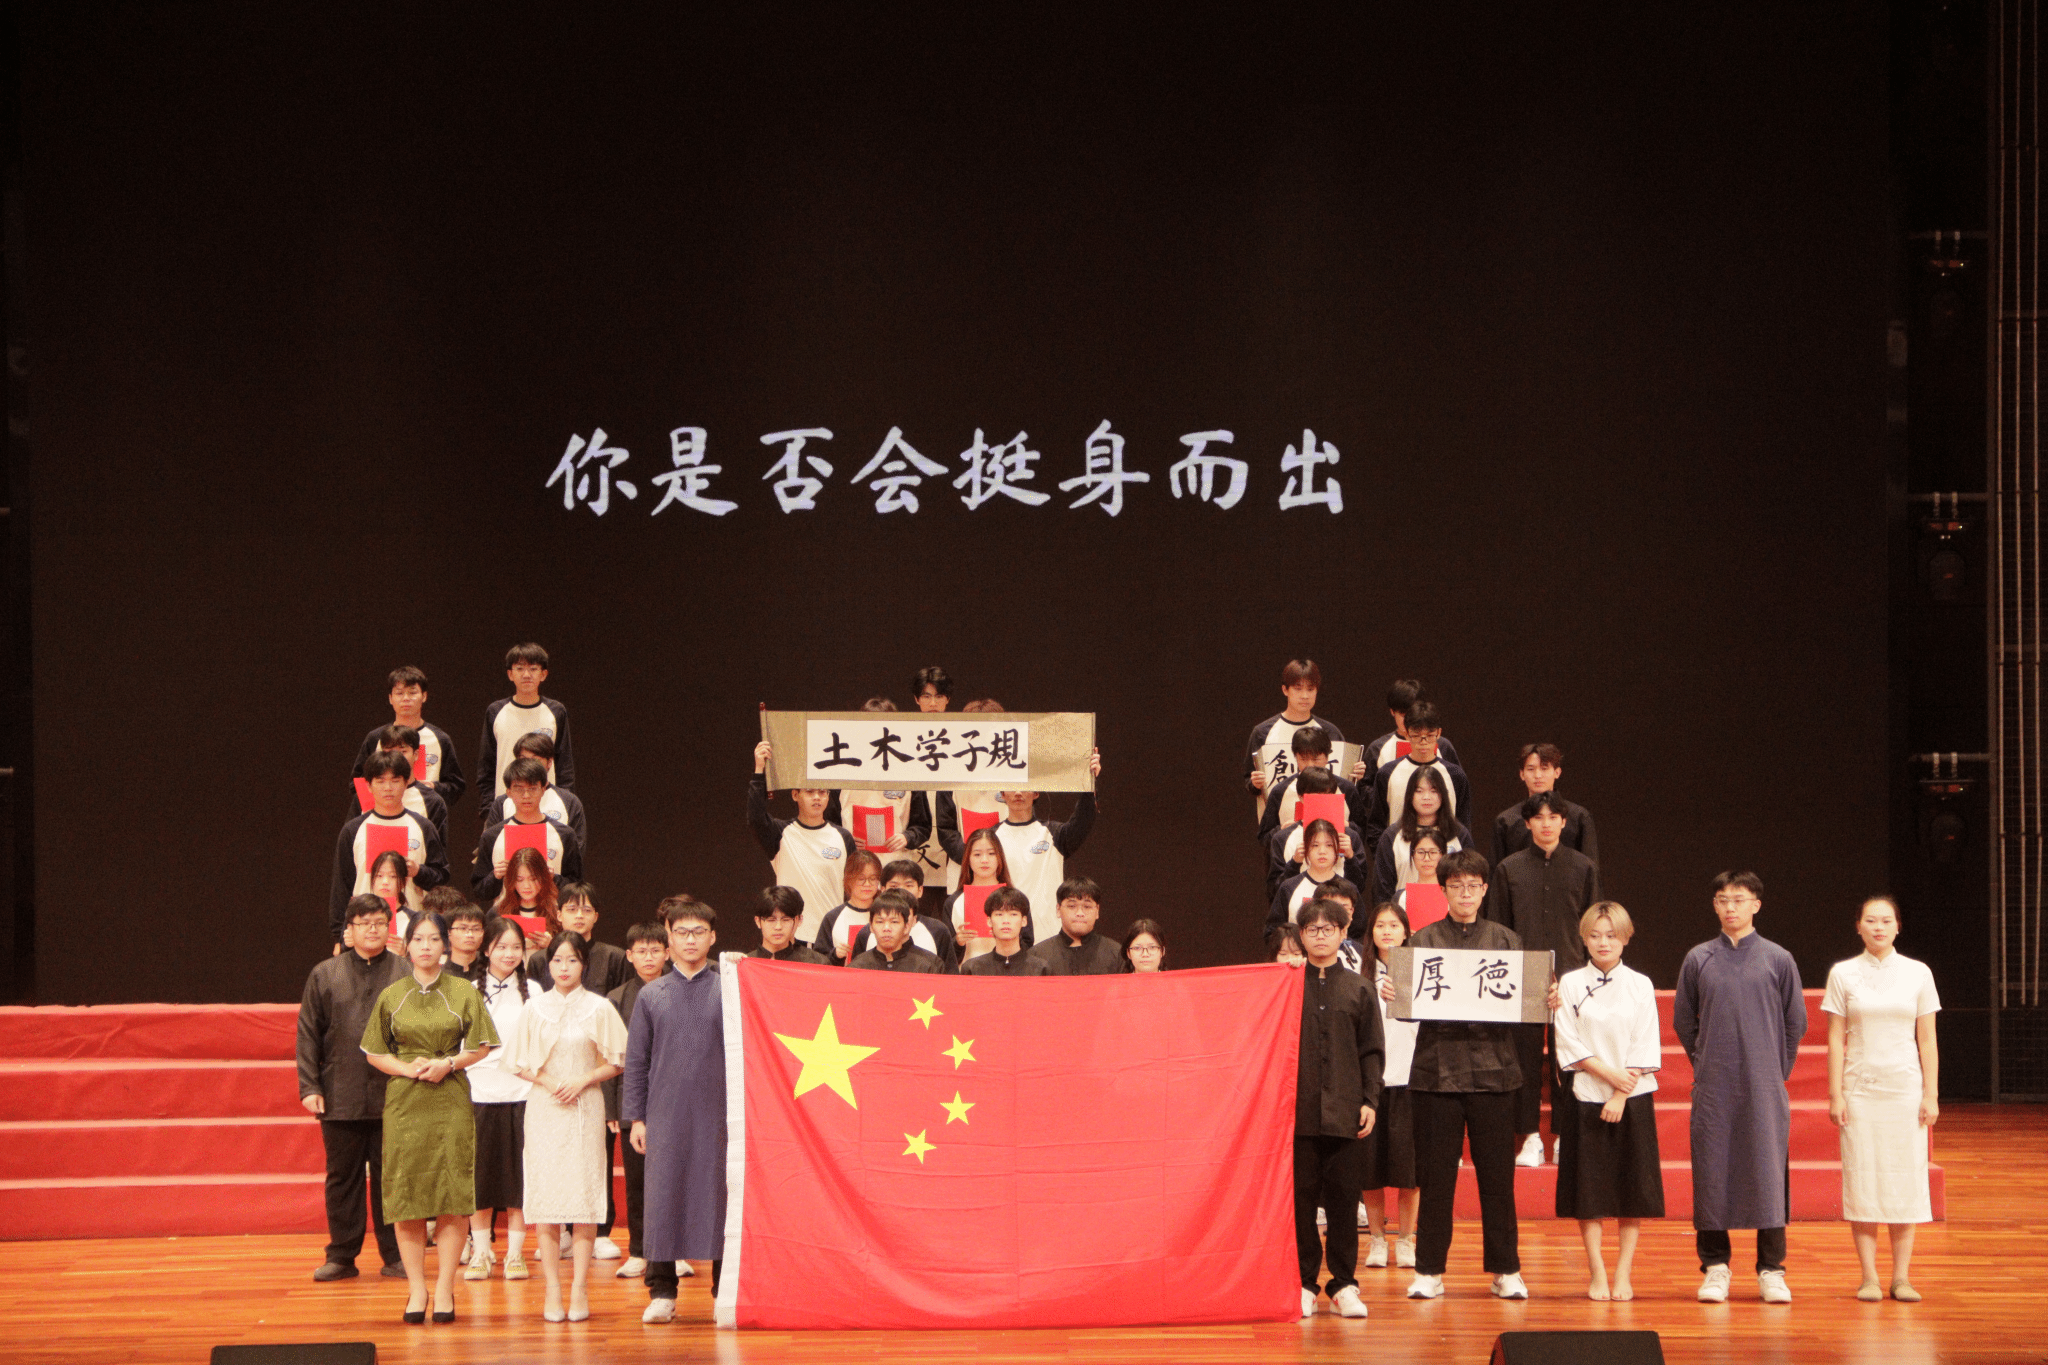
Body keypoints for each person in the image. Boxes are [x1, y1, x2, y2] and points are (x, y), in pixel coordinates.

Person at [1674, 871, 1808, 1305]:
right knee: (1712, 1170)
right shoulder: (1699, 958)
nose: (1730, 907)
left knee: (1768, 1171)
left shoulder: (1777, 958)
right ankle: (1715, 1266)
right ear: (1714, 906)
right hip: (1714, 1085)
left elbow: (1795, 1022)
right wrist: (1705, 1063)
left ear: (1756, 905)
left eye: (1738, 899)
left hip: (1764, 1084)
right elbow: (1683, 1020)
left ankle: (1772, 1269)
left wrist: (1774, 1070)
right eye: (1722, 900)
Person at [359, 913, 501, 1324]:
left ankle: (444, 1290)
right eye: (418, 939)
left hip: (450, 1097)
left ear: (445, 946)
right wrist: (407, 1069)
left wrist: (449, 1063)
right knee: (407, 1195)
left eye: (434, 939)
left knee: (452, 1193)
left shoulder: (463, 991)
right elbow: (374, 1051)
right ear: (406, 946)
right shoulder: (392, 994)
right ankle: (417, 1289)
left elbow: (482, 1045)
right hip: (405, 1102)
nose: (426, 946)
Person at [1404, 849, 1527, 1301]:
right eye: (1456, 886)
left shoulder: (1506, 941)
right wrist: (1396, 991)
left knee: (1498, 1179)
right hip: (1437, 1074)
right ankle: (1429, 1270)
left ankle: (1506, 1269)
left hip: (1495, 1072)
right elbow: (1407, 1009)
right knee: (1436, 1178)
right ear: (1443, 890)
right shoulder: (1422, 940)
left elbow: (1525, 1004)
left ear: (1485, 889)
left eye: (1473, 885)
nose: (1465, 894)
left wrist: (1543, 994)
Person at [1823, 895, 1941, 1303]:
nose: (1878, 927)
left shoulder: (1918, 973)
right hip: (1860, 1092)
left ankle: (1902, 1277)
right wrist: (1836, 1094)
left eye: (1886, 921)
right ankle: (1869, 1277)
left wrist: (1931, 1094)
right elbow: (1835, 1039)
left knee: (1905, 1179)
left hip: (1904, 1091)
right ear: (1858, 926)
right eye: (1871, 920)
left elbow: (1927, 1039)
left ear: (1898, 926)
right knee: (1864, 1180)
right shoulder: (1843, 973)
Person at [505, 931, 627, 1322]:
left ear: (584, 964)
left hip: (585, 1107)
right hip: (545, 1108)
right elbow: (516, 1062)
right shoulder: (534, 1007)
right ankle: (553, 1291)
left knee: (584, 1197)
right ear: (547, 963)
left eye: (572, 960)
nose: (564, 967)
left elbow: (618, 1059)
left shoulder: (599, 1007)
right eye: (557, 960)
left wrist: (584, 1079)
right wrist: (547, 1081)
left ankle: (579, 1289)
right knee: (547, 1199)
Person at [1550, 902, 1664, 1301]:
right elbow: (1567, 1040)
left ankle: (1623, 1273)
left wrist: (1620, 1091)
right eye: (1595, 936)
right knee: (1589, 1192)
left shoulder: (1640, 984)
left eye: (1611, 936)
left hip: (1632, 1097)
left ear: (1625, 938)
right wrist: (1608, 1077)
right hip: (1586, 1095)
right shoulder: (1569, 983)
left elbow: (1645, 1040)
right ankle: (1596, 1271)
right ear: (1583, 939)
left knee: (1632, 1190)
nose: (1603, 943)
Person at [624, 896, 728, 1322]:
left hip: (718, 1114)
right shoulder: (652, 995)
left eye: (698, 932)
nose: (690, 940)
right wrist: (637, 1118)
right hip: (664, 1113)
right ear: (669, 939)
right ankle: (662, 1291)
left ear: (713, 937)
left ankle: (723, 1291)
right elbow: (636, 1062)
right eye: (682, 932)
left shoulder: (729, 989)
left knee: (720, 1198)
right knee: (662, 1198)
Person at [1484, 790, 1601, 1168]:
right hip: (1522, 976)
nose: (1547, 823)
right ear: (1528, 823)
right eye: (1539, 817)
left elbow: (1595, 925)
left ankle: (1566, 1136)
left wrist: (1590, 975)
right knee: (1524, 1059)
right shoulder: (1509, 869)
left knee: (1571, 1057)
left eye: (1554, 817)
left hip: (1573, 974)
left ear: (1564, 822)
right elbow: (1499, 928)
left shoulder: (1584, 867)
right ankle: (1530, 1136)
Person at [297, 895, 409, 1283]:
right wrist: (309, 1086)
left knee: (392, 1178)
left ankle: (396, 1254)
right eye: (364, 923)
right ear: (349, 929)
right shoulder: (325, 973)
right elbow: (308, 1033)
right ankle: (342, 1256)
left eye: (380, 922)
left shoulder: (405, 972)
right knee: (342, 1177)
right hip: (339, 1091)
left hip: (395, 1095)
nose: (373, 930)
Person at [1292, 898, 1383, 1320]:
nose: (1320, 936)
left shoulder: (1360, 988)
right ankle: (1304, 1283)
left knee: (1345, 1204)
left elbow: (1372, 1051)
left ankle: (1344, 1284)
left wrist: (1370, 1100)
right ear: (1301, 935)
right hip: (1299, 1114)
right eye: (1312, 929)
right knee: (1301, 1205)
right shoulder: (1287, 987)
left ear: (1344, 933)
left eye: (1329, 929)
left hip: (1346, 1113)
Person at [464, 917, 542, 1283]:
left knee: (518, 1180)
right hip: (478, 1094)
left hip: (523, 1095)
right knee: (479, 1178)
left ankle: (514, 1254)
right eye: (501, 947)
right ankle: (481, 1252)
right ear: (486, 950)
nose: (509, 954)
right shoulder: (467, 991)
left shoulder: (535, 992)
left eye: (516, 948)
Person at [607, 920, 674, 1281]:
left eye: (655, 950)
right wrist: (615, 1108)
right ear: (629, 955)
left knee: (674, 1178)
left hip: (674, 1099)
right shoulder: (616, 998)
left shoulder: (680, 990)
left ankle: (675, 1251)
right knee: (637, 1181)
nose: (649, 958)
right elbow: (609, 1059)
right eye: (641, 951)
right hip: (633, 1101)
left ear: (667, 953)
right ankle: (638, 1250)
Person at [330, 750, 449, 949]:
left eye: (395, 781)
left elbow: (442, 877)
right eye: (380, 781)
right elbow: (341, 885)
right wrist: (338, 936)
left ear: (406, 783)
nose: (388, 788)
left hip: (410, 931)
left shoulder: (423, 827)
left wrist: (418, 871)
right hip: (362, 930)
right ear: (368, 785)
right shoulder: (353, 830)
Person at [748, 739, 857, 946]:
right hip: (791, 938)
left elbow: (854, 888)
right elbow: (755, 817)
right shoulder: (781, 833)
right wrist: (759, 770)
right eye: (809, 792)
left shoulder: (843, 837)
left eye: (822, 792)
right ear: (795, 795)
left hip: (831, 938)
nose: (817, 797)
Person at [1359, 902, 1419, 1272]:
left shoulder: (1422, 972)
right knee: (1371, 1169)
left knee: (1410, 1171)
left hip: (1411, 1080)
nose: (1387, 931)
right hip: (1371, 1085)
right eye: (1380, 925)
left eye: (1394, 925)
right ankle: (1378, 1239)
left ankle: (1407, 1240)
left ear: (1406, 932)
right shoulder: (1360, 974)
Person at [991, 748, 1103, 945]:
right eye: (1012, 786)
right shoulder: (991, 838)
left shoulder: (1053, 834)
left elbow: (1084, 820)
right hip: (1005, 938)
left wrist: (1089, 780)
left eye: (1025, 786)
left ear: (1036, 792)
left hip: (1047, 936)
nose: (1018, 792)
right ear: (1002, 793)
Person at [825, 696, 936, 885]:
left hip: (895, 871)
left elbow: (922, 826)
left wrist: (907, 837)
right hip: (853, 868)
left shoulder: (909, 771)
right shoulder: (842, 771)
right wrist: (845, 838)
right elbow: (827, 822)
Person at [478, 642, 576, 818]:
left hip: (549, 808)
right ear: (510, 674)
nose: (526, 675)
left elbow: (564, 765)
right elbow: (487, 765)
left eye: (533, 669)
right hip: (505, 807)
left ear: (543, 674)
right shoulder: (496, 711)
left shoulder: (556, 711)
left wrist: (566, 804)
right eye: (520, 668)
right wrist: (489, 809)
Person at [1244, 658, 1348, 821]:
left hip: (1324, 823)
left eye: (1310, 689)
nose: (1305, 696)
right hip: (1277, 825)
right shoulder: (1263, 732)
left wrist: (1355, 776)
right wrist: (1255, 784)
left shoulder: (1330, 732)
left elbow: (1343, 781)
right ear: (1285, 690)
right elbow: (1249, 779)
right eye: (1298, 689)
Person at [352, 666, 466, 808]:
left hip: (424, 814)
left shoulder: (440, 739)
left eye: (412, 692)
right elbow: (357, 782)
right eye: (399, 693)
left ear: (424, 696)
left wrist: (432, 788)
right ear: (390, 698)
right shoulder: (376, 738)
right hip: (382, 815)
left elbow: (456, 786)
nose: (406, 698)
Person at [475, 757, 584, 904]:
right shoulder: (492, 836)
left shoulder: (565, 834)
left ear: (543, 789)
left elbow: (577, 887)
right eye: (519, 789)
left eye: (532, 788)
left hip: (551, 914)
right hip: (506, 916)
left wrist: (554, 878)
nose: (526, 796)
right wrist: (495, 876)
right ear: (508, 792)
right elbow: (479, 890)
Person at [1362, 701, 1472, 848]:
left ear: (1439, 733)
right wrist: (1386, 855)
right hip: (1401, 854)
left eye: (1429, 735)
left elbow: (1463, 824)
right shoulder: (1387, 773)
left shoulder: (1455, 775)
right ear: (1407, 734)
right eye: (1417, 735)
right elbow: (1376, 825)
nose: (1423, 742)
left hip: (1445, 856)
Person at [933, 698, 1013, 895]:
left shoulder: (1013, 772)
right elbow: (946, 829)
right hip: (963, 870)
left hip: (1006, 867)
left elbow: (1022, 821)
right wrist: (972, 859)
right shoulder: (950, 774)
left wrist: (995, 860)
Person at [1368, 765, 1474, 909]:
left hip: (1451, 915)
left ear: (1443, 795)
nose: (1426, 797)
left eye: (1433, 791)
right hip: (1403, 914)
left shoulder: (1459, 834)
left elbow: (1471, 881)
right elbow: (1382, 889)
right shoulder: (1392, 836)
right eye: (1419, 791)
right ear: (1409, 795)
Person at [1255, 724, 1365, 850]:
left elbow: (1362, 832)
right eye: (1303, 759)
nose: (1310, 765)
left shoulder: (1346, 788)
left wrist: (1347, 826)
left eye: (1316, 759)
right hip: (1293, 859)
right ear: (1296, 757)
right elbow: (1264, 837)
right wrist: (1281, 830)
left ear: (1327, 757)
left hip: (1337, 859)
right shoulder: (1280, 791)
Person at [1266, 768, 1368, 899]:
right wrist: (1294, 863)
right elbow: (1274, 891)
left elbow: (1360, 887)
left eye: (1328, 795)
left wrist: (1350, 858)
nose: (1323, 801)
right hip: (1299, 909)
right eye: (1317, 796)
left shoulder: (1350, 836)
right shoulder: (1282, 838)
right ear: (1301, 797)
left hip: (1338, 908)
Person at [1491, 743, 1599, 867]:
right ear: (1522, 774)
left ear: (1557, 772)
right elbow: (1497, 872)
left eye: (1544, 768)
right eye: (1531, 769)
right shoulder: (1506, 821)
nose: (1538, 775)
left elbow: (1590, 869)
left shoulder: (1579, 817)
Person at [348, 724, 451, 843]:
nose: (396, 756)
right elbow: (350, 840)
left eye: (403, 751)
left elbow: (437, 850)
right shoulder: (364, 794)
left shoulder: (432, 801)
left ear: (416, 754)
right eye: (390, 751)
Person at [492, 731, 590, 856]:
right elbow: (491, 846)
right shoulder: (502, 803)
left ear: (549, 762)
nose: (529, 765)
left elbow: (576, 851)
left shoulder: (569, 802)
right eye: (523, 759)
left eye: (535, 759)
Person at [1361, 678, 1462, 778]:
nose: (1408, 719)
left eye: (1412, 712)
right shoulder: (1377, 748)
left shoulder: (1443, 746)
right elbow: (1366, 785)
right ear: (1392, 711)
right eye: (1403, 713)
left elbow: (1458, 781)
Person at [944, 826, 1015, 962]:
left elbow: (1027, 943)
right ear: (968, 858)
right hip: (967, 972)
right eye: (977, 854)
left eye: (991, 853)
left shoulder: (1015, 899)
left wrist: (1009, 938)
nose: (984, 860)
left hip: (1007, 972)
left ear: (1000, 857)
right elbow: (945, 955)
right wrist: (958, 942)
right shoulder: (953, 902)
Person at [1028, 878, 1127, 975]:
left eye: (1087, 907)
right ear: (1058, 910)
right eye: (1072, 906)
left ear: (1097, 911)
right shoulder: (1036, 956)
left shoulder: (1116, 953)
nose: (1080, 913)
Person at [1269, 820, 1349, 931]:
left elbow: (1358, 931)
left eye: (1329, 845)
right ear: (1305, 849)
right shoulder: (1288, 887)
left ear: (1337, 849)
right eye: (1315, 845)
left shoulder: (1348, 888)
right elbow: (1272, 929)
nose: (1322, 851)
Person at [812, 850, 887, 964]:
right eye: (861, 879)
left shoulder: (886, 914)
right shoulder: (833, 917)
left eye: (873, 878)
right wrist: (835, 955)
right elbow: (818, 961)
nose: (867, 884)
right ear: (849, 879)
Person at [847, 891, 947, 972]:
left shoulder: (929, 966)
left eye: (894, 922)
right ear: (871, 926)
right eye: (880, 922)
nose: (886, 928)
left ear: (906, 926)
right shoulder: (857, 966)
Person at [958, 887, 1049, 975]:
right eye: (999, 914)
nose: (1006, 921)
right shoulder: (972, 969)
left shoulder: (1041, 969)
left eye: (1013, 914)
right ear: (989, 921)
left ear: (1024, 921)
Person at [491, 848, 560, 952]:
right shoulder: (498, 912)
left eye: (533, 879)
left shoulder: (557, 912)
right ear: (512, 880)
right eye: (520, 880)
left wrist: (552, 945)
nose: (527, 886)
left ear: (543, 877)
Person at [749, 886, 832, 963]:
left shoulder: (816, 963)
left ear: (798, 920)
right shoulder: (746, 963)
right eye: (771, 920)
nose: (778, 927)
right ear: (758, 921)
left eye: (785, 920)